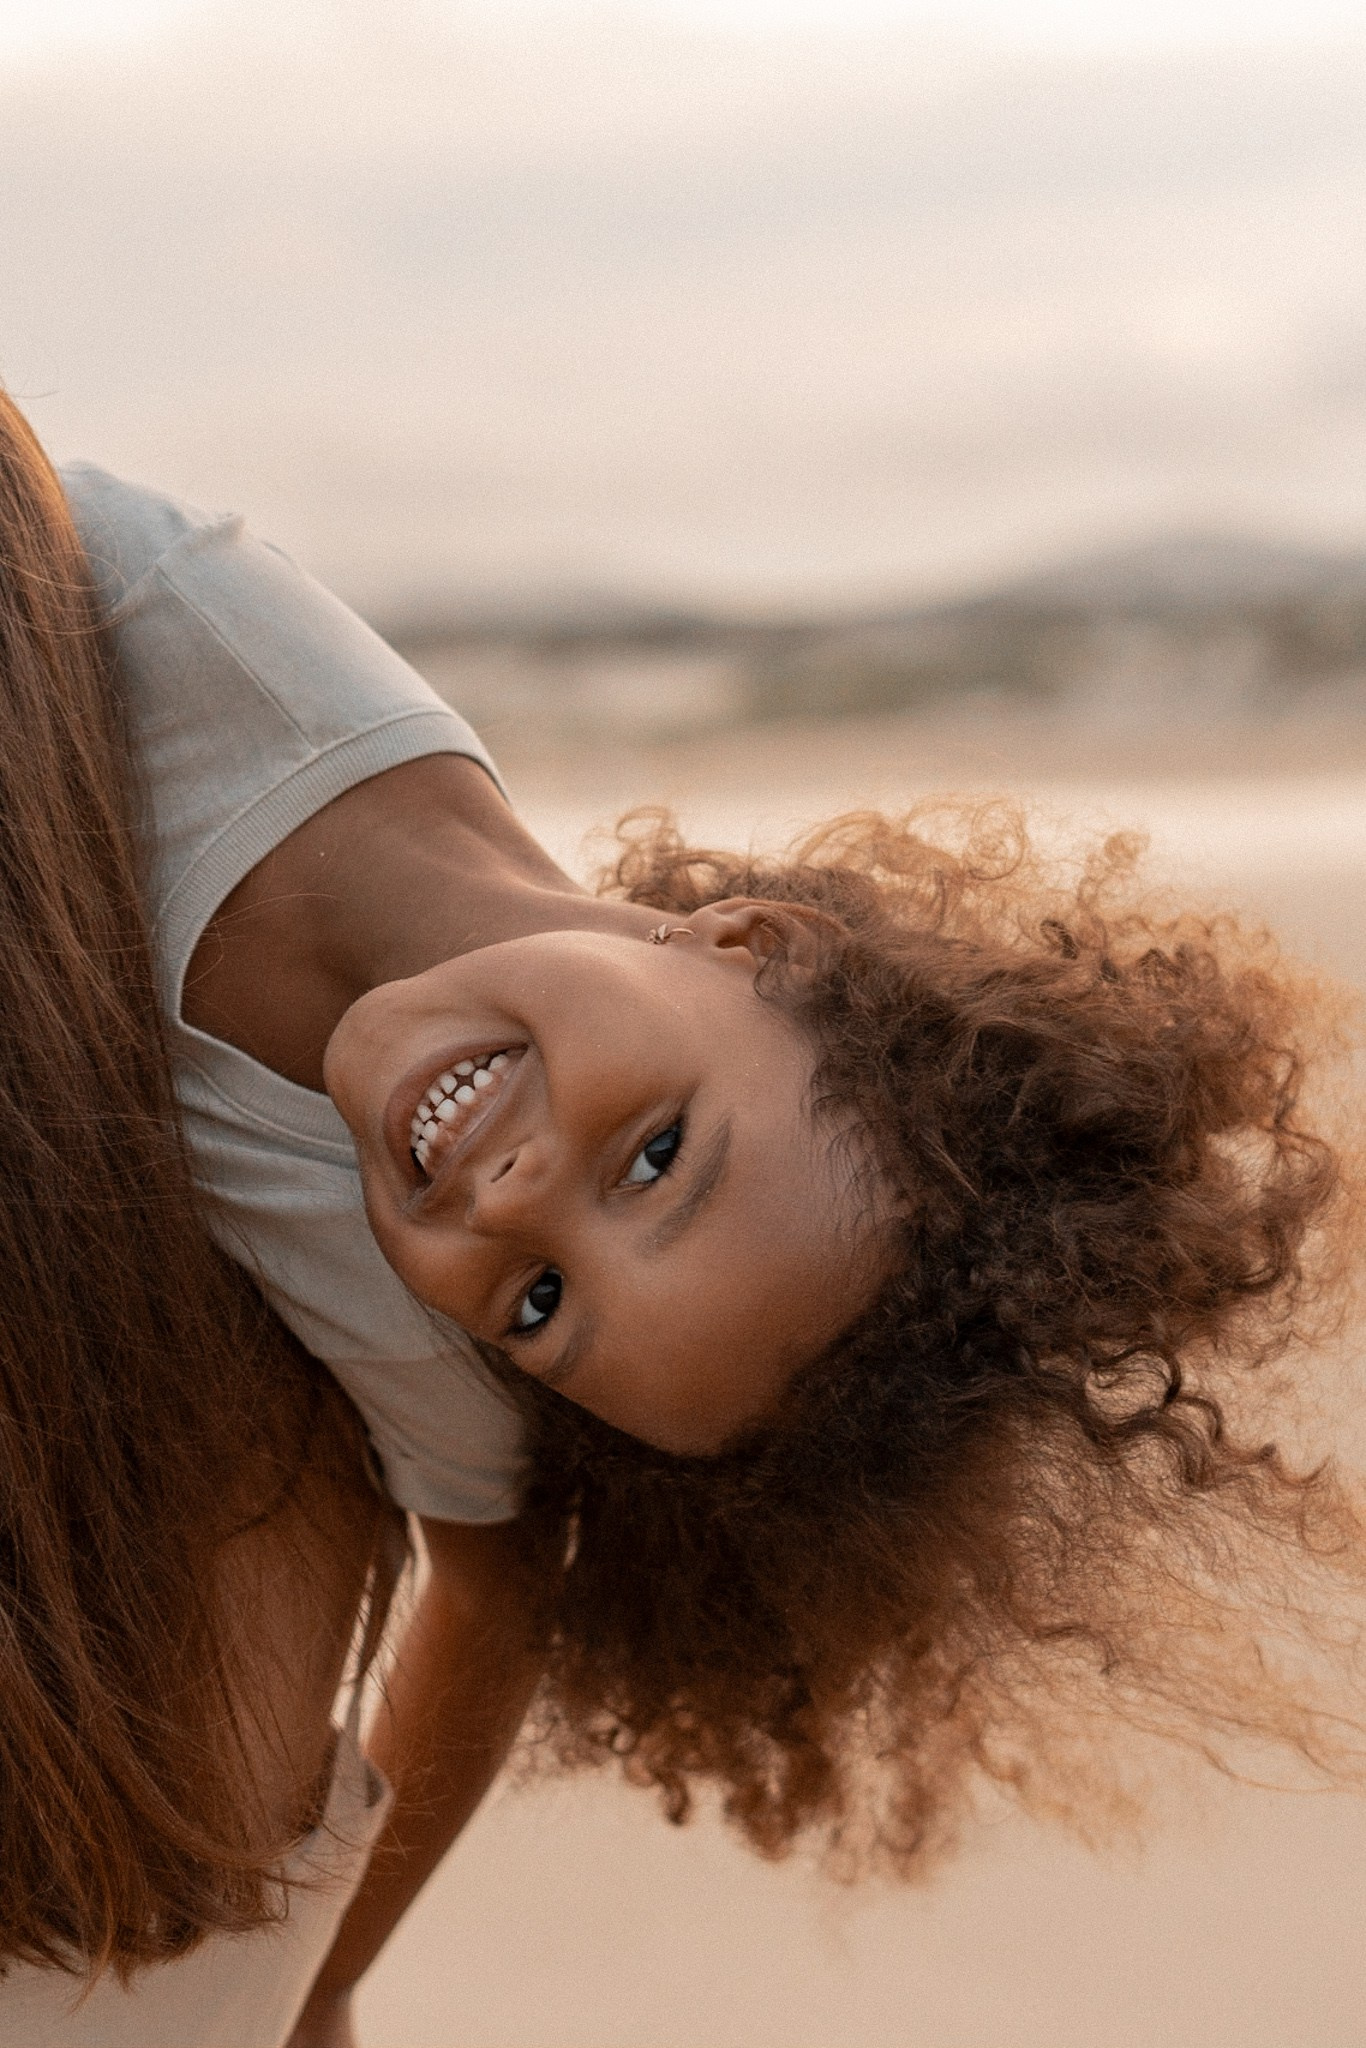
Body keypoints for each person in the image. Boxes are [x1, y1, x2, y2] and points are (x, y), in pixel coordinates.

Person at [0, 387, 1359, 2047]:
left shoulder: (392, 1287)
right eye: (655, 1158)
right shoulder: (210, 639)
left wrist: (323, 1985)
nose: (509, 1205)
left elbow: (498, 1583)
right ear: (748, 946)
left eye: (540, 1311)